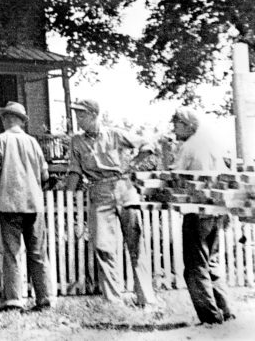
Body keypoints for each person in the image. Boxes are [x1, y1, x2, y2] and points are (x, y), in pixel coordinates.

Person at [64, 98, 159, 309]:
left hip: (125, 190)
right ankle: (113, 301)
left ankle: (146, 298)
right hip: (99, 192)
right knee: (102, 246)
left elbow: (147, 145)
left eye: (82, 114)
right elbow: (74, 170)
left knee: (136, 244)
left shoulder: (114, 134)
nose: (78, 118)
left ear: (94, 115)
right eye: (76, 114)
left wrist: (132, 164)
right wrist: (65, 197)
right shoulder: (77, 141)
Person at [0, 102, 51, 312]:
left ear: (6, 119)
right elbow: (45, 175)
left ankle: (14, 300)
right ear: (22, 121)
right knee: (38, 253)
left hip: (10, 204)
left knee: (12, 253)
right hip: (34, 204)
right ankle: (44, 299)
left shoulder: (0, 140)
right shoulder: (33, 142)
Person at [171, 107, 234, 325]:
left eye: (176, 123)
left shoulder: (188, 146)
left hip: (197, 211)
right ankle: (225, 311)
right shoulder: (212, 142)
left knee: (195, 266)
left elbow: (175, 176)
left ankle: (210, 317)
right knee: (212, 262)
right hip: (216, 210)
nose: (173, 128)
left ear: (188, 125)